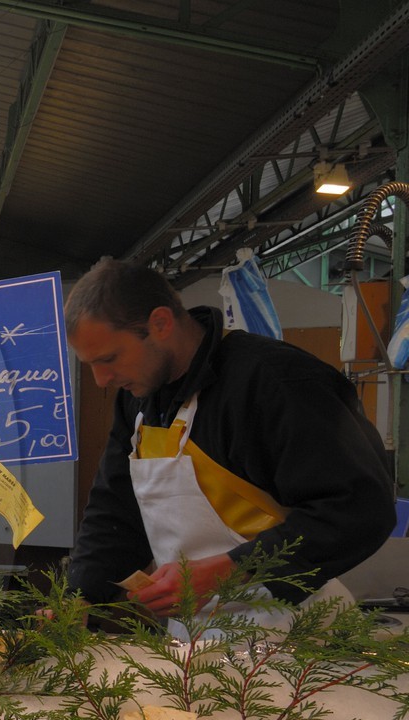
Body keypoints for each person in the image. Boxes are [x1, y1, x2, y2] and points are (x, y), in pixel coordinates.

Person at [65, 258, 393, 625]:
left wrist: (230, 570)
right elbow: (115, 511)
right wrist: (79, 598)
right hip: (195, 639)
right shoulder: (139, 399)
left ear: (160, 323)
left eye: (109, 359)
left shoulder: (276, 382)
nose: (100, 380)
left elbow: (361, 509)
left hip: (295, 637)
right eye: (90, 364)